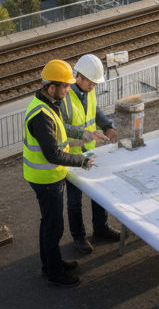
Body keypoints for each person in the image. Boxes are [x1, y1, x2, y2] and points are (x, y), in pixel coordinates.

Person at [24, 60, 96, 287]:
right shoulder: (41, 114)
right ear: (51, 86)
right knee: (53, 227)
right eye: (65, 85)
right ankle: (54, 273)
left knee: (48, 224)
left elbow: (59, 139)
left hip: (47, 177)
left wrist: (80, 139)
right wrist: (81, 161)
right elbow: (53, 154)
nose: (68, 89)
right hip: (46, 179)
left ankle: (50, 264)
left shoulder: (48, 104)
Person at [60, 55, 120, 255]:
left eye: (95, 83)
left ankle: (101, 227)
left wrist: (108, 126)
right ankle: (78, 237)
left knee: (98, 192)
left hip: (90, 151)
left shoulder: (89, 91)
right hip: (72, 156)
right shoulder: (64, 95)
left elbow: (95, 111)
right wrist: (83, 135)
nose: (93, 86)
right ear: (79, 77)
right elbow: (61, 127)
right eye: (90, 83)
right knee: (74, 201)